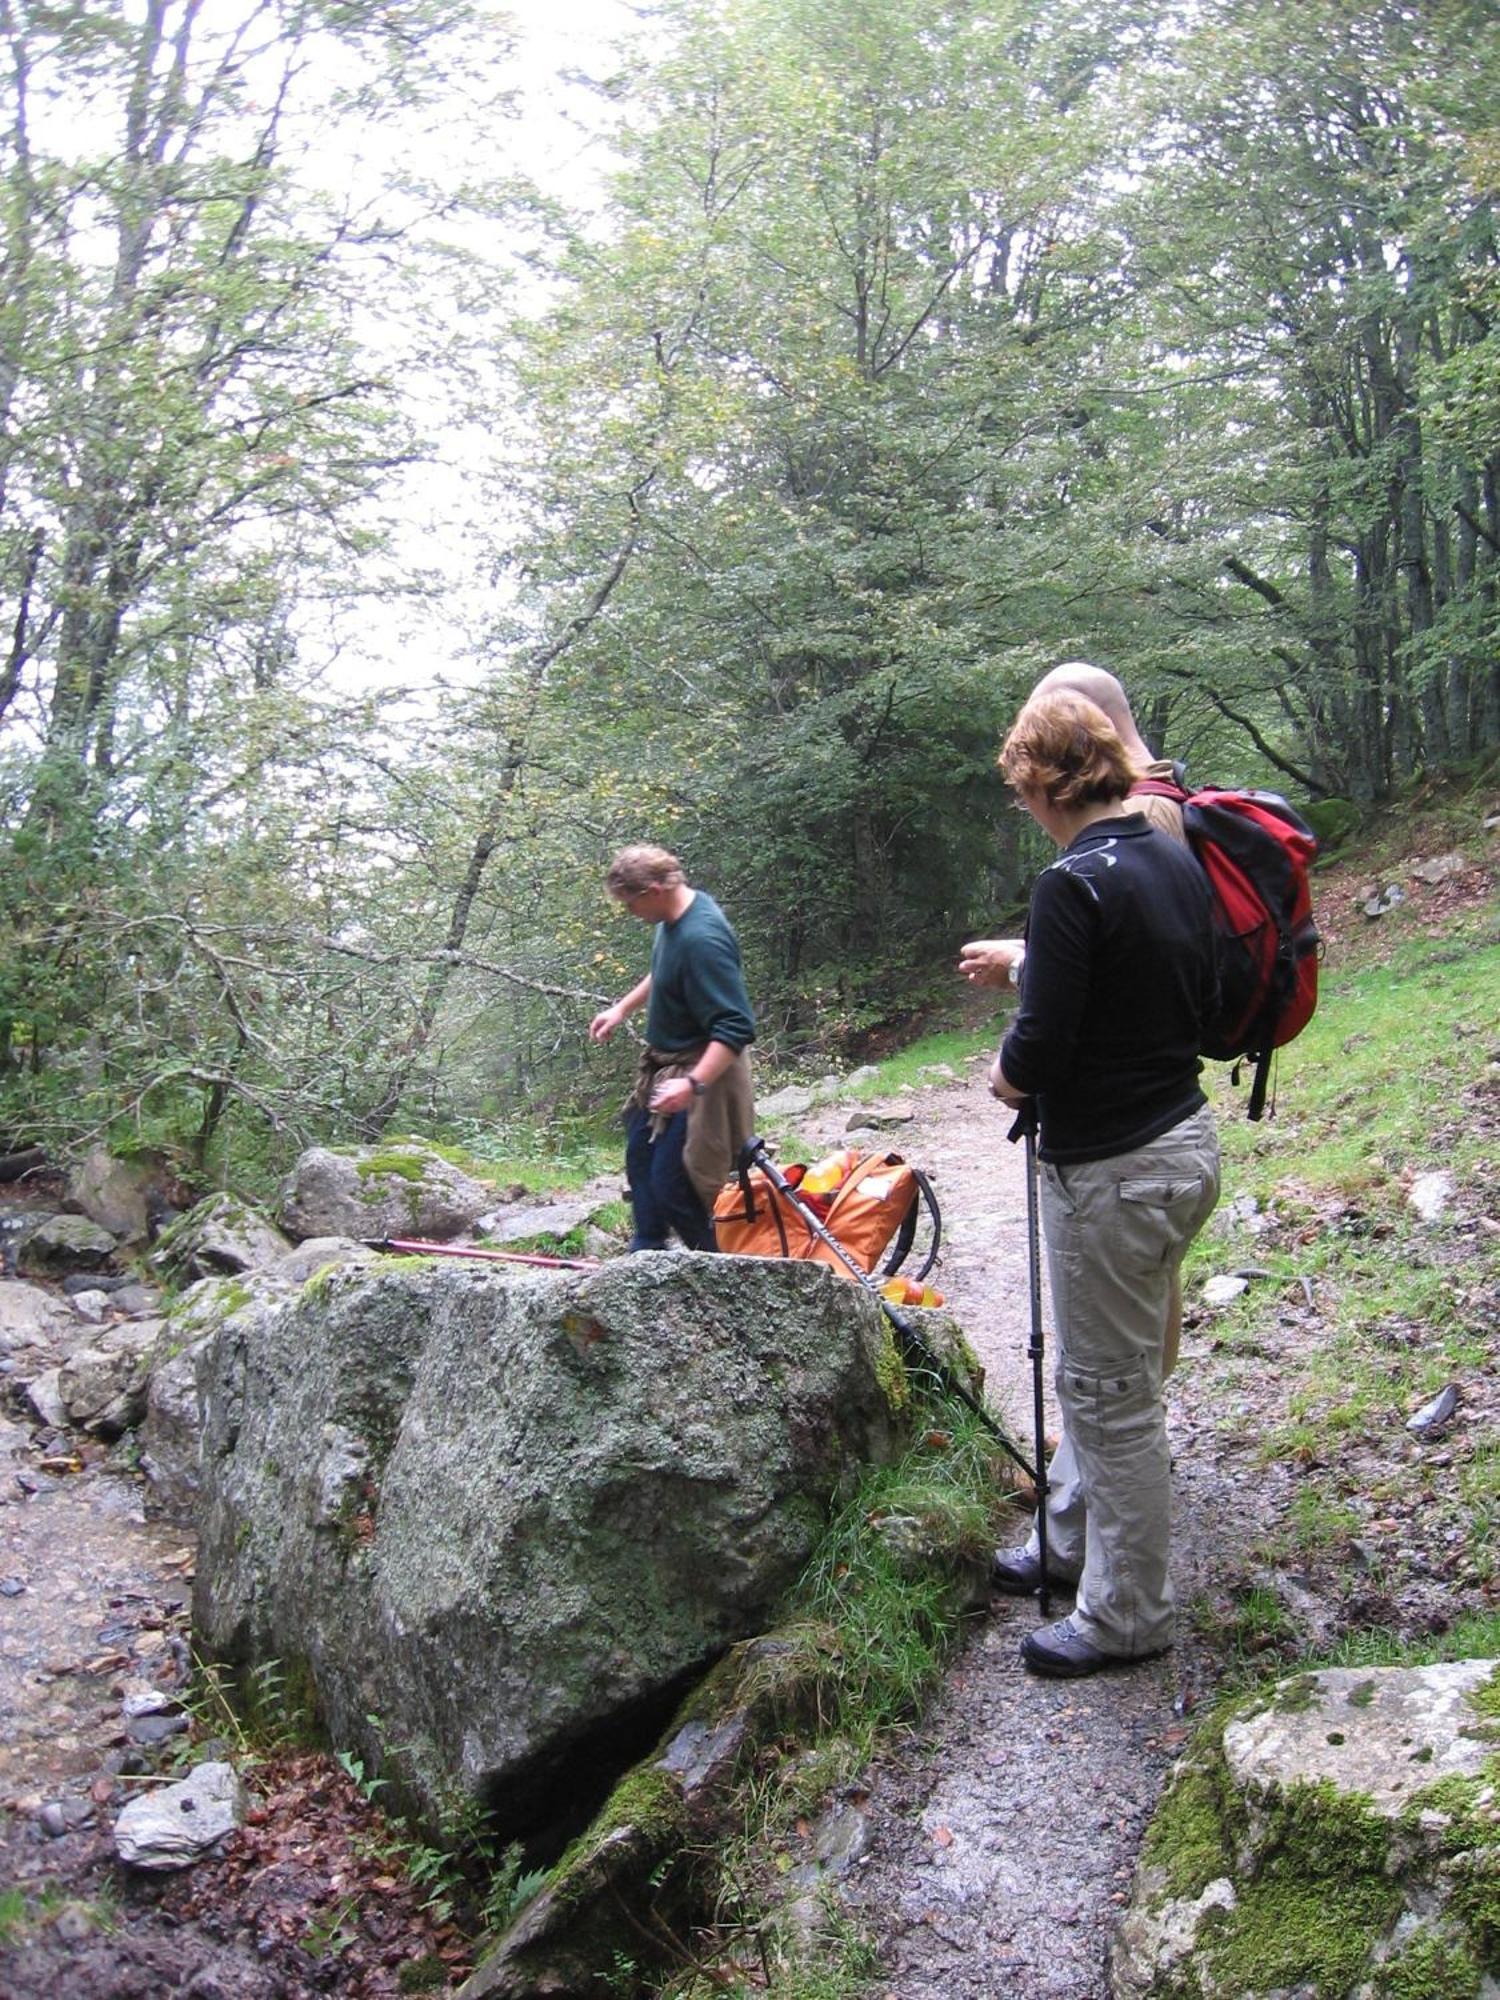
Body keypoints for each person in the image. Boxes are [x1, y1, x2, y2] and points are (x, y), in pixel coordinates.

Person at [983, 689, 1220, 1678]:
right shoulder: (1171, 850)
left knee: (1111, 1394)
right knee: (1109, 1375)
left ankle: (1128, 1612)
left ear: (1046, 780)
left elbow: (1039, 1044)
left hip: (1113, 1173)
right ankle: (1074, 1539)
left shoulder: (1071, 880)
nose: (1027, 809)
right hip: (1184, 1140)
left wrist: (1003, 1072)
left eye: (1024, 790)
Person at [958, 660, 1195, 1376]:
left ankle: (1121, 1431)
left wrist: (1030, 985)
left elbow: (1128, 973)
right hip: (1168, 1122)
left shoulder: (1141, 816)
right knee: (1145, 1285)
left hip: (1124, 1133)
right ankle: (1130, 1421)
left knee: (1120, 1345)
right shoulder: (1161, 803)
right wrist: (1034, 961)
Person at [590, 845, 755, 1254]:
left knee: (675, 1183)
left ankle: (719, 1270)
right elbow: (665, 970)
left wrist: (693, 1085)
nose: (630, 913)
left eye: (631, 904)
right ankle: (646, 1253)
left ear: (655, 889)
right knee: (641, 1162)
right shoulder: (674, 918)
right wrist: (622, 1008)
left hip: (702, 1072)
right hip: (666, 1069)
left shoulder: (704, 938)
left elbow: (736, 1026)